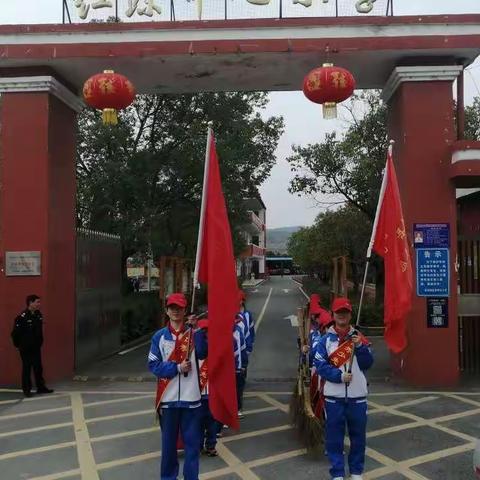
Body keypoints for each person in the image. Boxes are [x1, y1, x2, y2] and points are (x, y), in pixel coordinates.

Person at [148, 292, 207, 480]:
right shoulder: (159, 337)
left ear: (184, 310)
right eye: (172, 308)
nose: (175, 311)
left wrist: (196, 329)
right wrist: (176, 367)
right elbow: (154, 365)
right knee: (169, 448)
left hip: (191, 400)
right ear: (166, 310)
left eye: (179, 308)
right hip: (168, 401)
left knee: (192, 447)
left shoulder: (193, 334)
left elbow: (205, 352)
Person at [314, 297, 373, 480]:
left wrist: (360, 347)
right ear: (333, 315)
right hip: (334, 398)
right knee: (334, 439)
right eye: (339, 312)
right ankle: (337, 473)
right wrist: (339, 377)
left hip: (357, 398)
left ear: (350, 315)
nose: (342, 316)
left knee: (358, 438)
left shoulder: (359, 338)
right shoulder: (325, 341)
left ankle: (356, 472)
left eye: (345, 313)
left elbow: (368, 363)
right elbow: (320, 366)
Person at [11, 295, 54, 398]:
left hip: (36, 347)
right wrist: (17, 345)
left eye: (39, 302)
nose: (39, 304)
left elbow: (38, 332)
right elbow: (15, 333)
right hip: (26, 348)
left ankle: (41, 387)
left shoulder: (38, 315)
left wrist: (40, 342)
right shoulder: (22, 317)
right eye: (37, 302)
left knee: (38, 368)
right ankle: (27, 390)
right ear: (30, 303)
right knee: (27, 368)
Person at [196, 319, 222, 457]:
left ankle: (210, 445)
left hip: (212, 392)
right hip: (198, 392)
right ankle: (200, 445)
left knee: (212, 422)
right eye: (203, 331)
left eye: (208, 331)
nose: (206, 334)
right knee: (199, 421)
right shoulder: (194, 349)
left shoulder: (216, 348)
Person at [233, 313, 248, 419]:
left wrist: (243, 364)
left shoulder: (238, 331)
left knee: (237, 389)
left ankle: (237, 408)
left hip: (237, 367)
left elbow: (242, 349)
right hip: (224, 369)